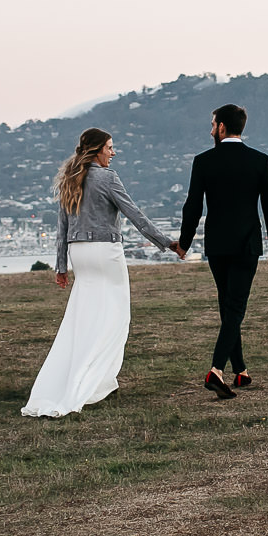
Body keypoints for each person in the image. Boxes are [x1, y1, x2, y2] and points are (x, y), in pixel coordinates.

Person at [23, 128, 180, 417]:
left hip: (79, 254)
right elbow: (135, 214)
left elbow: (62, 227)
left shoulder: (70, 178)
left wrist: (61, 267)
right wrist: (167, 242)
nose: (113, 152)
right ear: (97, 151)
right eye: (109, 147)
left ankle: (92, 381)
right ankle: (94, 382)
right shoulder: (108, 178)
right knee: (115, 318)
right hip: (105, 252)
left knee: (82, 319)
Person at [177, 103, 268, 399]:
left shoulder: (203, 161)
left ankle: (241, 370)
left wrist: (184, 242)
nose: (211, 130)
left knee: (228, 306)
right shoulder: (259, 160)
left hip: (217, 245)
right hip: (247, 244)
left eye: (213, 125)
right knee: (234, 308)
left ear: (222, 127)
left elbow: (193, 206)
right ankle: (216, 370)